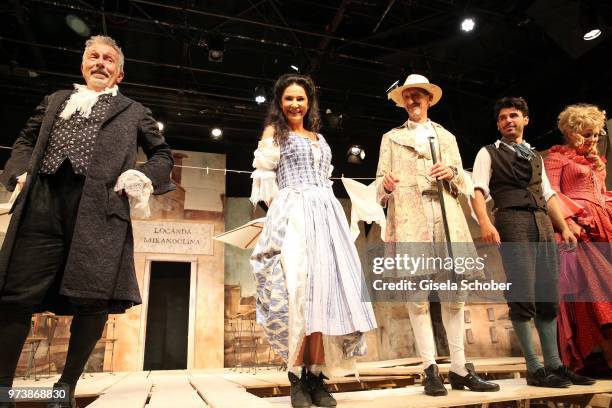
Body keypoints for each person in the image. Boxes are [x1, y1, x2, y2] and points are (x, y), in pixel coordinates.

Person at [0, 35, 174, 408]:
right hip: (41, 205)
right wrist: (19, 173)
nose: (100, 63)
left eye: (108, 59)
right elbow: (24, 141)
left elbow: (162, 155)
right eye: (93, 57)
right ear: (83, 65)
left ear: (120, 72)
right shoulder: (55, 101)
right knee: (14, 297)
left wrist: (142, 176)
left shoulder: (133, 110)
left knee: (93, 302)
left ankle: (63, 391)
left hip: (99, 212)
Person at [249, 73, 377, 408]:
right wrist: (282, 212)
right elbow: (263, 178)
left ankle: (317, 377)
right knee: (298, 294)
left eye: (300, 98)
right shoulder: (274, 134)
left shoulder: (319, 138)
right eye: (289, 98)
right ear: (280, 102)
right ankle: (295, 377)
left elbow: (325, 179)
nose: (294, 104)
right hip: (294, 215)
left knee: (325, 295)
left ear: (309, 103)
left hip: (327, 215)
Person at [377, 74, 499, 396]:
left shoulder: (446, 137)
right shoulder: (390, 138)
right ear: (403, 101)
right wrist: (386, 185)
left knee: (454, 296)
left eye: (419, 95)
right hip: (410, 218)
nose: (413, 100)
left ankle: (459, 369)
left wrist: (452, 173)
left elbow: (463, 179)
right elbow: (379, 184)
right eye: (408, 96)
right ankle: (429, 369)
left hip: (445, 218)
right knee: (417, 299)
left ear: (429, 100)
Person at [470, 97, 594, 388]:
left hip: (541, 223)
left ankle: (555, 364)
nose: (508, 121)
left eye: (513, 115)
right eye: (502, 118)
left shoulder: (535, 157)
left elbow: (549, 195)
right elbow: (477, 191)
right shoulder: (488, 153)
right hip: (512, 220)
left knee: (548, 294)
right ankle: (535, 368)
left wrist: (563, 228)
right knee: (523, 292)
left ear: (526, 120)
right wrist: (486, 222)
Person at [543, 103, 612, 375]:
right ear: (572, 133)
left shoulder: (596, 163)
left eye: (596, 134)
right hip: (580, 232)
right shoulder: (556, 159)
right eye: (588, 133)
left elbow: (602, 194)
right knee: (599, 297)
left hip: (605, 229)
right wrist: (568, 223)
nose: (593, 140)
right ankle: (605, 358)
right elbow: (550, 196)